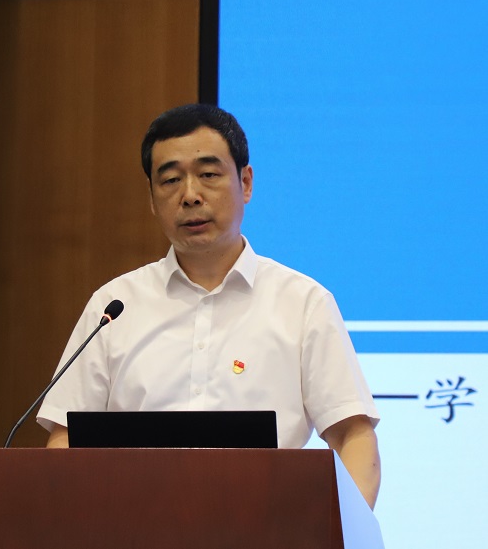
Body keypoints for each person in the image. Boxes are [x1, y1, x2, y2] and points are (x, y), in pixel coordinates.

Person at [37, 103, 381, 509]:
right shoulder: (114, 306)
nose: (190, 196)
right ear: (152, 198)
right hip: (132, 528)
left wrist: (341, 529)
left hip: (267, 529)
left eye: (209, 175)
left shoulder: (303, 303)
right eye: (170, 180)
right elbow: (67, 435)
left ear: (245, 183)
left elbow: (352, 434)